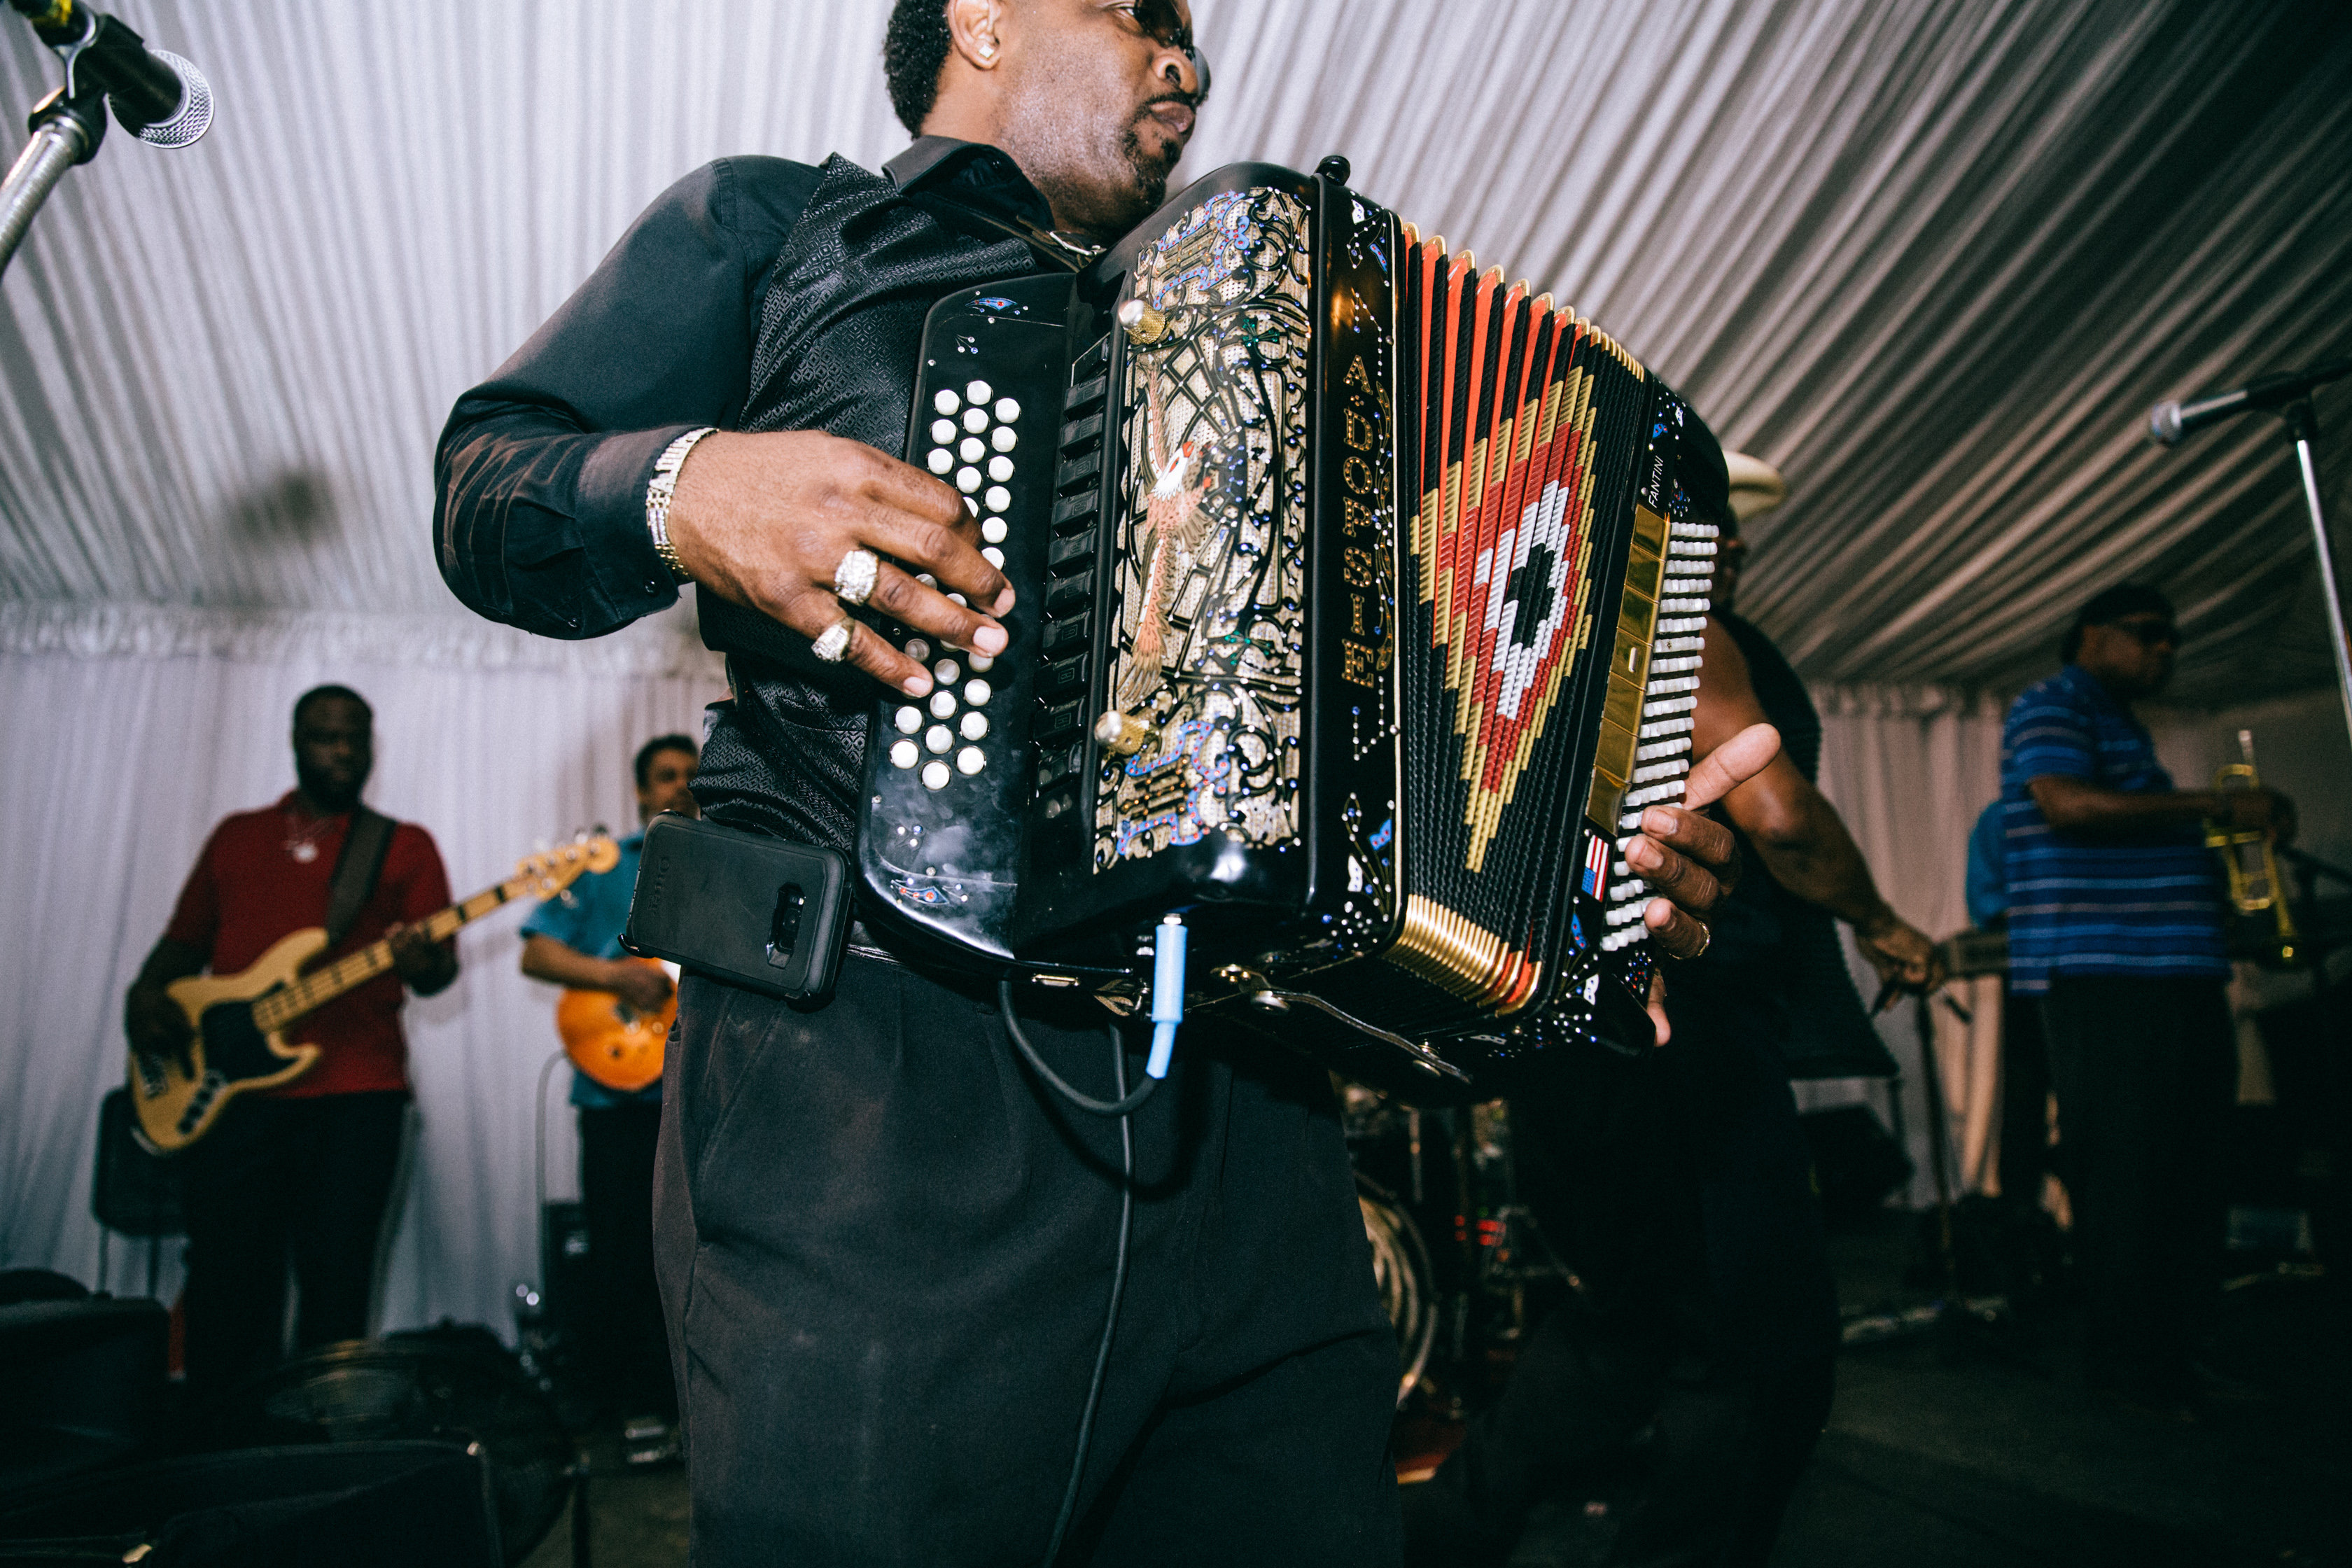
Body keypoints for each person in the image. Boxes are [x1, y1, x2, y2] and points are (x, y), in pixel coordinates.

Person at [434, 3, 1758, 1560]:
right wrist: (686, 484)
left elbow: (1411, 758)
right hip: (882, 1088)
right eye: (1142, 11)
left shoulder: (1300, 341)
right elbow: (488, 476)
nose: (1188, 60)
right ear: (982, 17)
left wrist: (1587, 876)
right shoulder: (786, 227)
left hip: (1257, 1123)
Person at [1406, 473, 1940, 1567]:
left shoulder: (1549, 626)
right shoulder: (1680, 620)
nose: (1732, 547)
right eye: (1713, 527)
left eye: (1740, 534)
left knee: (1627, 1327)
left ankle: (1438, 1536)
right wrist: (1884, 922)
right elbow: (1779, 817)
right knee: (1765, 1356)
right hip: (1683, 1024)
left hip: (1567, 1029)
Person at [1999, 583, 2289, 1418]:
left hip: (2171, 973)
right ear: (2092, 633)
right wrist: (2219, 806)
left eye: (2173, 639)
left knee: (2190, 1170)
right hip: (2110, 976)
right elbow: (2066, 803)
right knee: (2131, 1171)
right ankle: (2133, 1366)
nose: (2167, 649)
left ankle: (2176, 1353)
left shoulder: (2121, 722)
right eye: (2149, 633)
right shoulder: (2053, 701)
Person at [122, 686, 457, 1402]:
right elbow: (178, 950)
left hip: (358, 1098)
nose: (342, 752)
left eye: (355, 738)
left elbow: (438, 974)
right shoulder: (237, 837)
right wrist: (144, 1002)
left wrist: (423, 959)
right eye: (325, 737)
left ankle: (320, 1441)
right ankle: (223, 1438)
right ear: (295, 741)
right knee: (225, 1284)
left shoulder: (403, 845)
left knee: (337, 1287)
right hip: (230, 1101)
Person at [519, 734, 699, 1455]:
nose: (680, 785)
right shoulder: (602, 867)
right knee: (621, 1252)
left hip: (699, 1092)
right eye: (665, 775)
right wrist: (614, 976)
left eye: (692, 774)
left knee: (700, 1251)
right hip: (615, 1099)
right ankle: (635, 1401)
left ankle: (696, 1404)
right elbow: (536, 948)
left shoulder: (729, 867)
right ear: (640, 791)